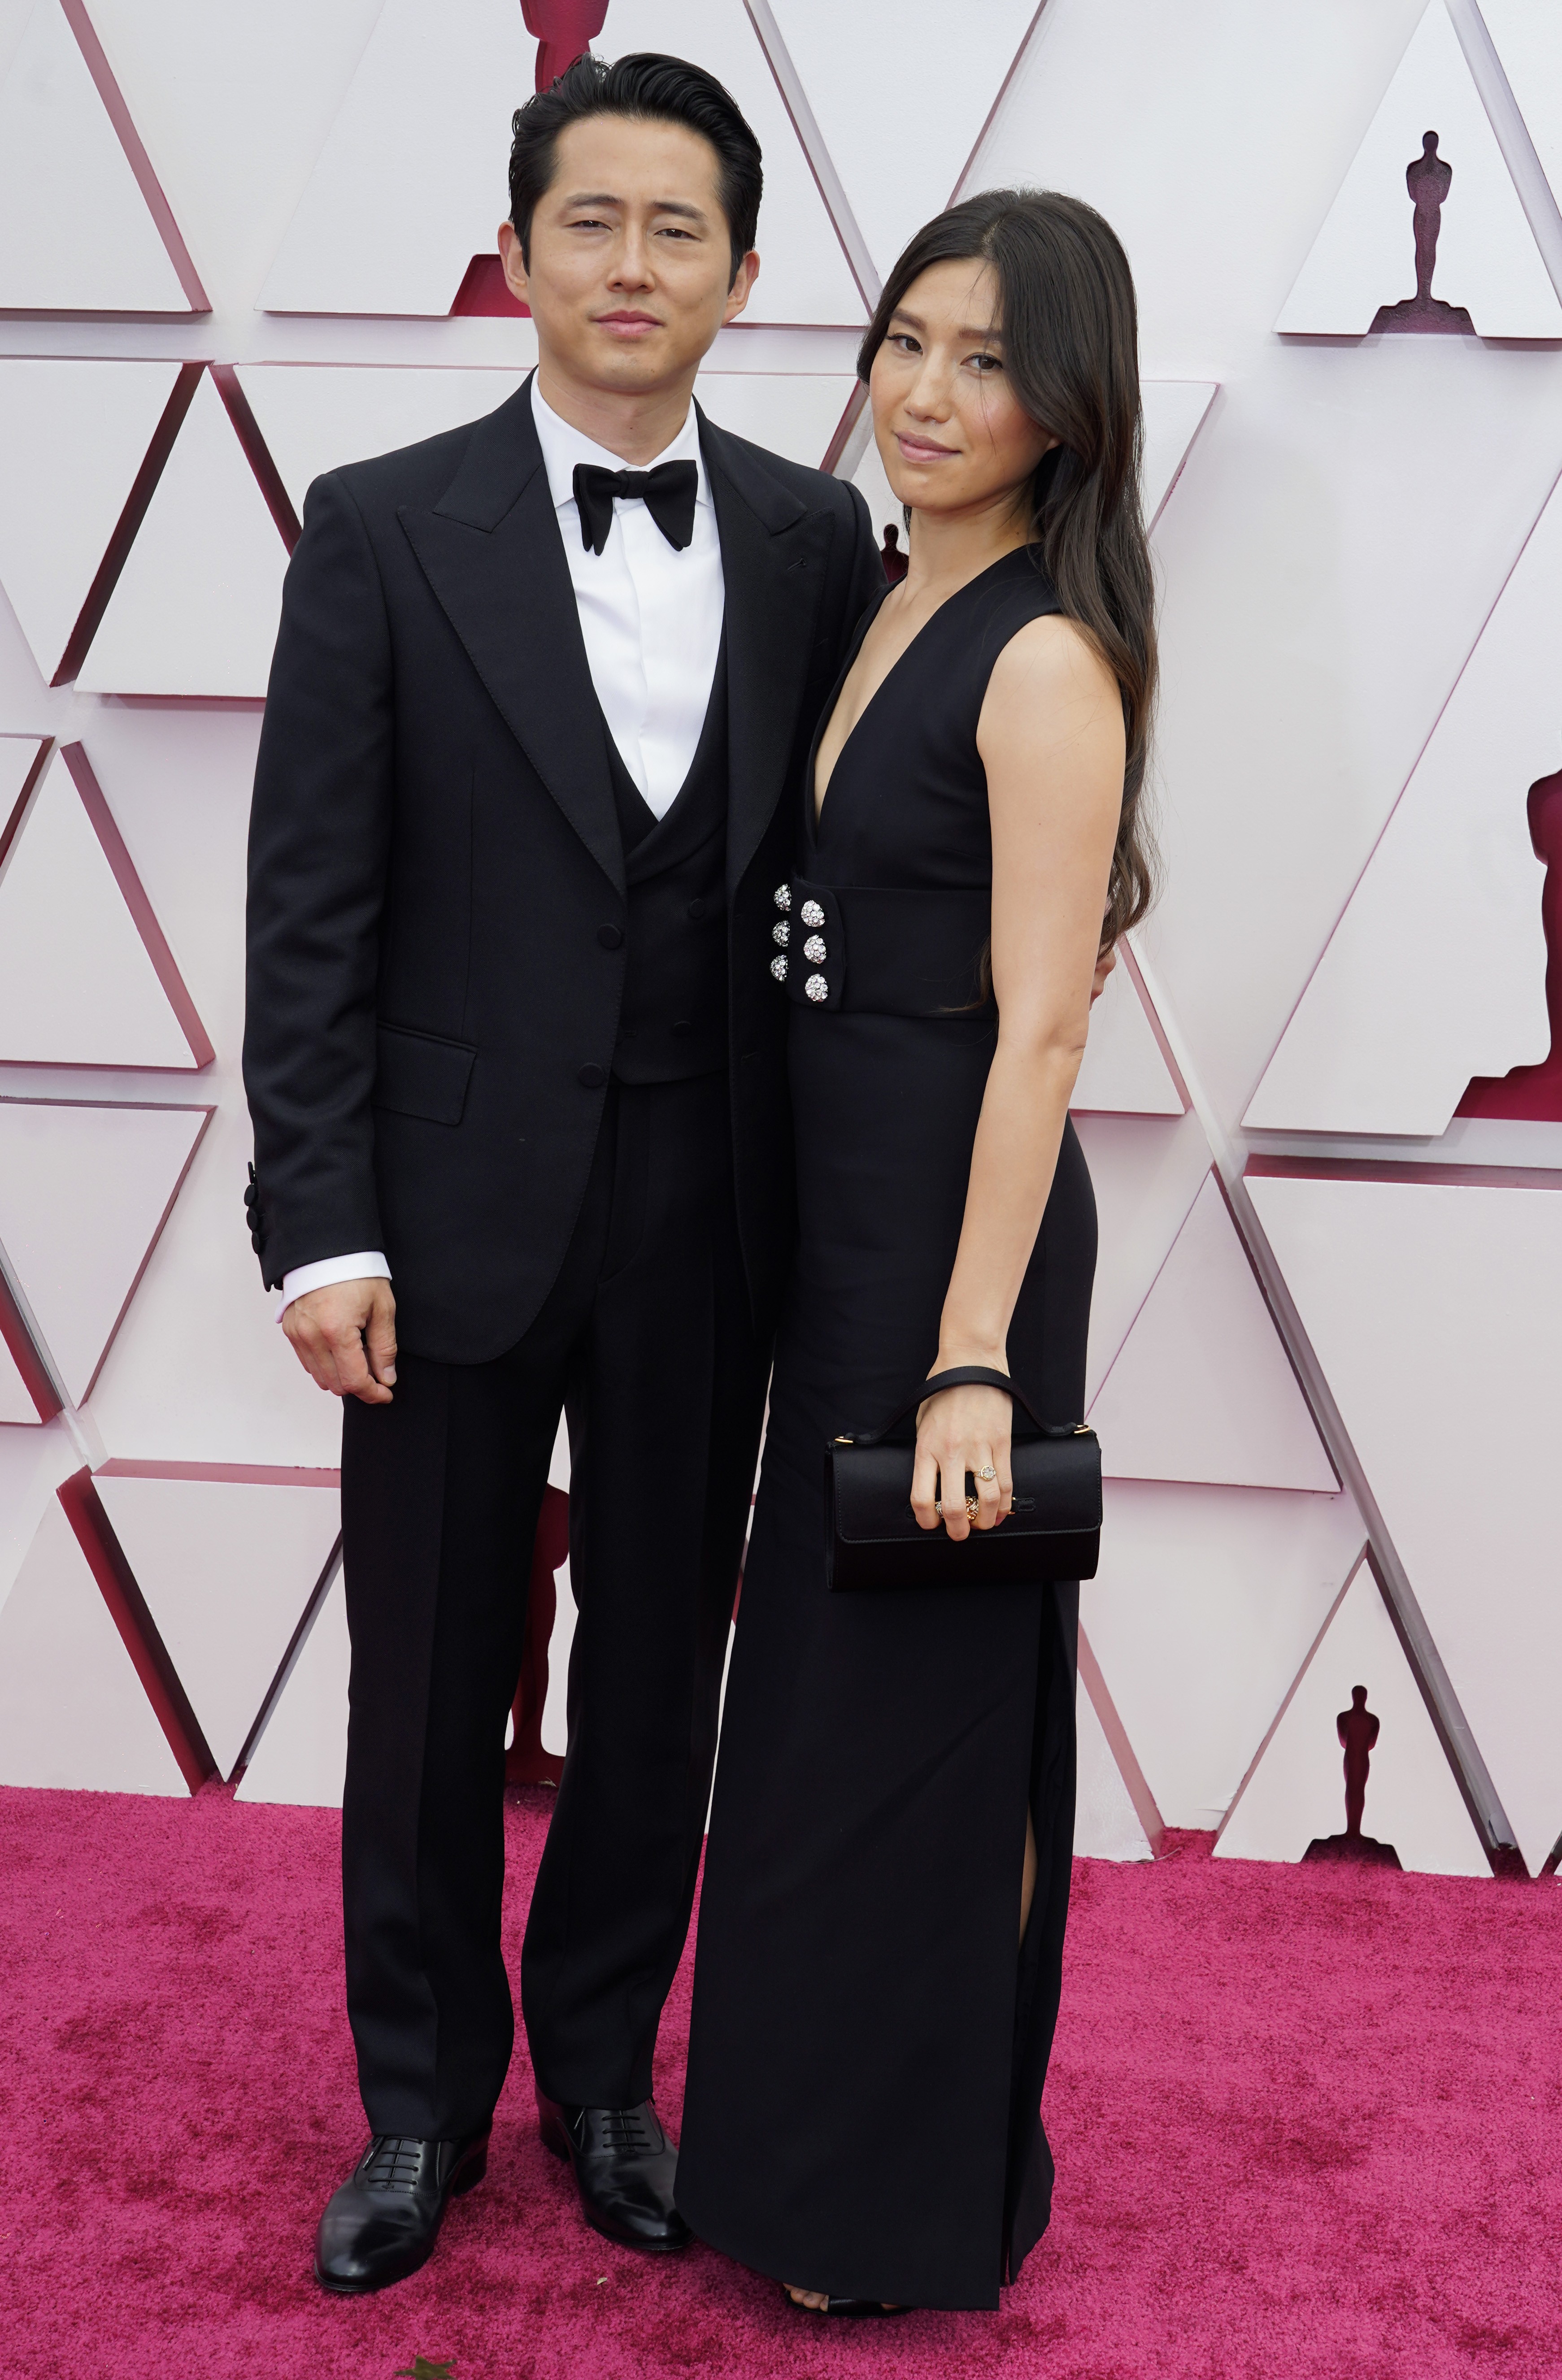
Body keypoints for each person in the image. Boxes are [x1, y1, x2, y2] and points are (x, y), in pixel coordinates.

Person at [242, 52, 881, 2295]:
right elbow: (308, 903)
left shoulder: (819, 540)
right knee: (421, 1675)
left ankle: (605, 2065)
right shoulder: (379, 523)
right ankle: (419, 2101)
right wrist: (315, 1215)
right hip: (434, 1212)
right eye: (589, 223)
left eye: (676, 229)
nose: (630, 267)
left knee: (653, 1686)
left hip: (714, 1210)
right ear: (521, 251)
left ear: (742, 274)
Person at [675, 187, 1157, 2315]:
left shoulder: (1044, 653)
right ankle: (795, 2164)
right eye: (908, 342)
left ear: (1068, 411)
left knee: (915, 1724)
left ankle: (895, 2206)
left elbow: (1043, 1025)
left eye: (989, 363)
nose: (932, 395)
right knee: (809, 1714)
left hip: (948, 1248)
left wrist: (969, 1355)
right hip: (829, 1211)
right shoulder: (868, 592)